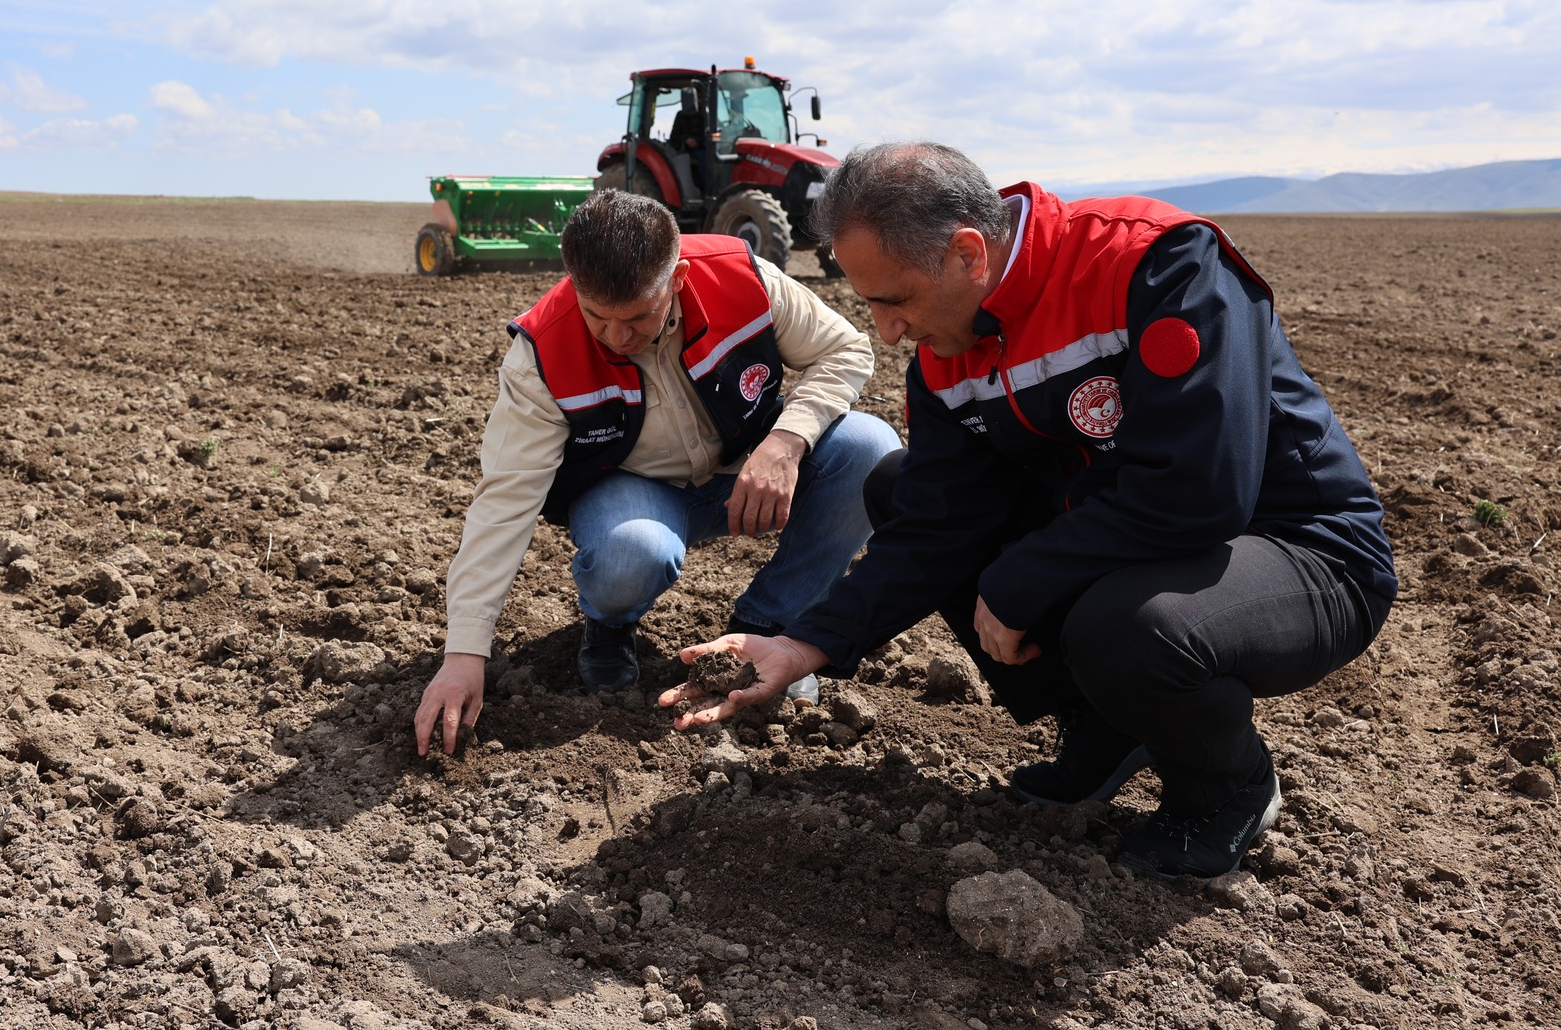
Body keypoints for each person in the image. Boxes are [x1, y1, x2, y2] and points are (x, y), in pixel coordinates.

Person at [660, 143, 1397, 880]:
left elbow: (1200, 490)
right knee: (898, 484)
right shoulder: (950, 351)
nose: (886, 332)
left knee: (1123, 627)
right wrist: (800, 645)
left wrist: (1023, 578)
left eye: (896, 300)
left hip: (1301, 550)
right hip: (1146, 538)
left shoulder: (1156, 264)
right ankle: (1104, 728)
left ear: (967, 253)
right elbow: (935, 528)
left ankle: (1227, 786)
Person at [415, 189, 899, 755]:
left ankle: (769, 633)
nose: (617, 337)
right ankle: (610, 628)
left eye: (638, 316)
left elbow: (846, 350)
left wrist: (786, 442)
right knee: (631, 552)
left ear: (677, 278)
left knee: (870, 448)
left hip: (750, 471)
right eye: (598, 317)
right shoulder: (541, 355)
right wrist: (464, 655)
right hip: (635, 492)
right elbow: (503, 503)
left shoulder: (741, 278)